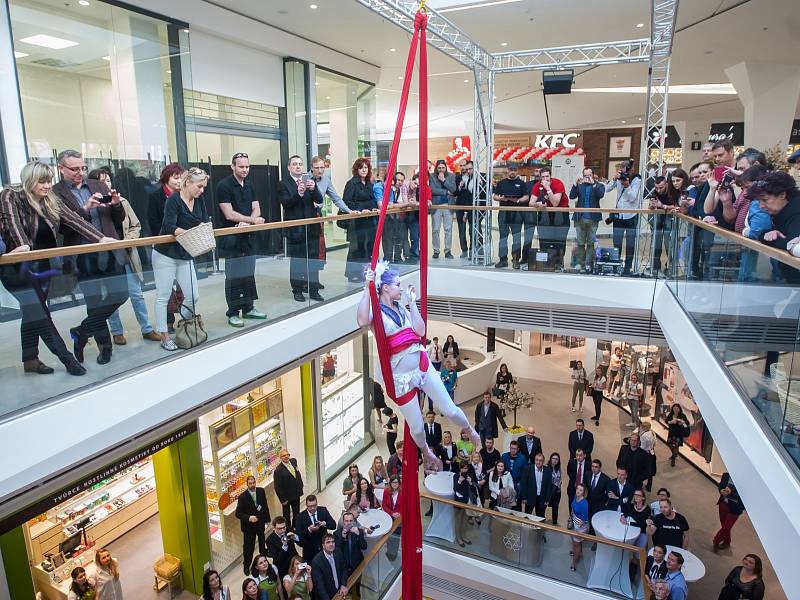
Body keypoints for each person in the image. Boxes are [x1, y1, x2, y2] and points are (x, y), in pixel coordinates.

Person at [356, 263, 480, 467]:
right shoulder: (377, 314)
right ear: (385, 287)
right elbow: (361, 320)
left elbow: (420, 331)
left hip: (422, 365)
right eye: (397, 284)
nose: (401, 288)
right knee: (417, 428)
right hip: (400, 378)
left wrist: (412, 304)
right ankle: (426, 452)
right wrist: (367, 288)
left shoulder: (401, 308)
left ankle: (469, 429)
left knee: (450, 410)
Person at [0, 161, 115, 376]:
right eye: (41, 181)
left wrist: (100, 238)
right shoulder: (10, 195)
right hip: (17, 268)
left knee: (33, 311)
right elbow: (11, 222)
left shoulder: (50, 199)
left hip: (43, 266)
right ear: (29, 180)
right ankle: (67, 358)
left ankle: (30, 359)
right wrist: (23, 245)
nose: (46, 186)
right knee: (41, 314)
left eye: (48, 181)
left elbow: (73, 220)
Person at [53, 150, 129, 366]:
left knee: (121, 293)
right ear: (61, 168)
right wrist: (86, 208)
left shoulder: (98, 185)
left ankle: (81, 331)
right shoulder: (55, 194)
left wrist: (115, 203)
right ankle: (105, 347)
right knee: (94, 302)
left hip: (110, 249)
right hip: (83, 254)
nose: (80, 173)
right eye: (74, 169)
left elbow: (118, 219)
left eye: (82, 168)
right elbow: (62, 228)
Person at [87, 169, 160, 346]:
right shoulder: (91, 207)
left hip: (126, 253)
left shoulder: (122, 202)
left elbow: (136, 225)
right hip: (104, 257)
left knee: (136, 293)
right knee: (112, 296)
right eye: (102, 181)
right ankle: (117, 332)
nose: (107, 184)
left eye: (109, 180)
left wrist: (126, 242)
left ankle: (147, 328)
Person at [152, 167, 209, 351]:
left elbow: (204, 221)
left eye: (203, 187)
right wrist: (189, 235)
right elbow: (169, 225)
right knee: (163, 296)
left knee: (193, 295)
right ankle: (164, 336)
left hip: (185, 254)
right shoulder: (173, 200)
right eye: (199, 186)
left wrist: (199, 234)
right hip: (165, 254)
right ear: (188, 183)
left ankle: (184, 323)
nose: (202, 190)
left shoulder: (199, 200)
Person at [217, 152, 267, 327]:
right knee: (233, 276)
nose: (245, 170)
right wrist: (251, 220)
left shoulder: (250, 185)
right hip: (231, 238)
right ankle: (232, 312)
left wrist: (249, 222)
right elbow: (229, 214)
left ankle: (248, 307)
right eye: (241, 166)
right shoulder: (223, 186)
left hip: (248, 237)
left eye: (247, 166)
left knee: (248, 274)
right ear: (233, 166)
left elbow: (257, 208)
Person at [279, 155, 324, 301]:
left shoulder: (309, 181)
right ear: (289, 167)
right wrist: (298, 194)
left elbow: (319, 200)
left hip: (311, 228)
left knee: (313, 259)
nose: (298, 166)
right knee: (298, 260)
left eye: (300, 164)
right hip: (295, 228)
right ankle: (297, 289)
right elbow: (286, 203)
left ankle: (313, 289)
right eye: (294, 164)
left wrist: (313, 189)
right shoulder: (283, 184)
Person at [146, 163, 185, 333]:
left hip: (184, 246)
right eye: (175, 177)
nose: (179, 181)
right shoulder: (155, 196)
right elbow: (153, 221)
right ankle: (168, 322)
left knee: (184, 287)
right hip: (164, 246)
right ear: (166, 177)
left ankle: (185, 318)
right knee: (166, 289)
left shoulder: (185, 195)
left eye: (181, 177)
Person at [752, 171, 800, 282]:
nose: (761, 206)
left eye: (765, 200)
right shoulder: (783, 212)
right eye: (759, 201)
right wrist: (768, 234)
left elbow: (792, 244)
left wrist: (769, 238)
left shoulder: (796, 213)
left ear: (782, 195)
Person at [342, 157, 377, 282]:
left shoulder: (368, 183)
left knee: (368, 246)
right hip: (356, 221)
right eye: (361, 168)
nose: (364, 170)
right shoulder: (351, 183)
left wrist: (372, 208)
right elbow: (347, 202)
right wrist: (362, 209)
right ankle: (352, 274)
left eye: (366, 168)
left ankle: (365, 273)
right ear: (356, 169)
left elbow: (372, 199)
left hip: (368, 220)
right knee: (356, 248)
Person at [606, 165, 642, 275]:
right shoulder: (618, 178)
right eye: (619, 170)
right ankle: (616, 265)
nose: (621, 172)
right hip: (618, 215)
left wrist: (627, 185)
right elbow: (607, 189)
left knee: (630, 244)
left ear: (630, 170)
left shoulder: (636, 179)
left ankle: (627, 268)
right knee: (617, 243)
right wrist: (614, 179)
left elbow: (632, 198)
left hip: (631, 215)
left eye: (623, 170)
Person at [531, 167, 569, 270]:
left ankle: (559, 263)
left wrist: (548, 189)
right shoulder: (537, 186)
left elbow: (555, 203)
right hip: (545, 214)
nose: (545, 179)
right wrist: (537, 204)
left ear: (550, 176)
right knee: (544, 239)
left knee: (559, 240)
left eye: (547, 176)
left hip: (560, 213)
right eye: (542, 177)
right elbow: (531, 202)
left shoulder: (558, 183)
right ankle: (546, 263)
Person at [492, 162, 528, 268]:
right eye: (511, 169)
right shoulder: (501, 183)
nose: (512, 172)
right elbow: (495, 196)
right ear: (507, 170)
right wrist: (501, 198)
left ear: (517, 171)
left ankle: (516, 260)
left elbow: (526, 196)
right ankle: (503, 260)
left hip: (517, 213)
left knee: (516, 237)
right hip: (503, 212)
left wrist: (518, 200)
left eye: (515, 170)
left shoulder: (522, 183)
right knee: (503, 237)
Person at [569, 167, 605, 272]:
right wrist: (575, 184)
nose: (587, 177)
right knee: (580, 242)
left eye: (589, 175)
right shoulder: (580, 186)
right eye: (585, 175)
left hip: (593, 219)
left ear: (593, 175)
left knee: (590, 243)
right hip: (580, 218)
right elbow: (571, 196)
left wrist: (593, 183)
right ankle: (580, 263)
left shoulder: (599, 185)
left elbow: (600, 195)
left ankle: (588, 264)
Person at [236, 475, 270, 575]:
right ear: (247, 484)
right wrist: (249, 518)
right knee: (248, 547)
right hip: (249, 527)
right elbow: (238, 513)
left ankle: (264, 558)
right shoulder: (242, 497)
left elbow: (264, 506)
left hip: (260, 523)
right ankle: (247, 565)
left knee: (262, 541)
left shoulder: (261, 491)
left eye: (254, 483)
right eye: (250, 483)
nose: (252, 485)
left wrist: (267, 519)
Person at [295, 495, 336, 563]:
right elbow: (298, 534)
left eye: (314, 505)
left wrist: (324, 523)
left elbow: (333, 525)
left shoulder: (323, 510)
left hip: (324, 548)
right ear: (306, 505)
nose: (313, 508)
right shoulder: (300, 517)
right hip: (310, 550)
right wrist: (309, 530)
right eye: (310, 506)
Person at [429, 159, 456, 259]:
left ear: (446, 168)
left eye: (443, 168)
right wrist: (446, 192)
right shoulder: (431, 176)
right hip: (436, 206)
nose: (441, 170)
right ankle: (436, 250)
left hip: (448, 205)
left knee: (448, 229)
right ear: (436, 168)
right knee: (435, 229)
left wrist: (443, 180)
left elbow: (453, 189)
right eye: (439, 168)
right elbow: (432, 190)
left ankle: (448, 251)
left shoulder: (452, 176)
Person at [713, 472, 744, 552]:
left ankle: (716, 541)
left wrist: (730, 493)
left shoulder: (745, 480)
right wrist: (721, 491)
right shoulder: (726, 475)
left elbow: (744, 497)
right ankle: (727, 542)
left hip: (736, 508)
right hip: (723, 504)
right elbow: (720, 485)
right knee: (724, 525)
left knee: (726, 527)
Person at [311, 533, 347, 600]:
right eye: (328, 542)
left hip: (339, 592)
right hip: (326, 596)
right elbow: (319, 585)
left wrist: (343, 584)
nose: (331, 544)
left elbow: (344, 569)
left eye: (333, 542)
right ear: (323, 546)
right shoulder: (317, 561)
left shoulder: (338, 552)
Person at [273, 450, 304, 528]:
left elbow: (297, 474)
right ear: (280, 458)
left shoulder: (293, 461)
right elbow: (277, 487)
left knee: (296, 512)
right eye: (284, 456)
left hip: (296, 493)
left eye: (287, 455)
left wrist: (301, 486)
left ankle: (295, 526)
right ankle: (288, 528)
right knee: (286, 515)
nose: (286, 457)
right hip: (286, 497)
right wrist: (283, 500)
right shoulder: (278, 471)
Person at [336, 511, 367, 581]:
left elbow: (364, 547)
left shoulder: (358, 531)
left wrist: (358, 534)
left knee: (359, 582)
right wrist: (343, 538)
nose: (349, 523)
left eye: (351, 520)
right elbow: (337, 551)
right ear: (343, 522)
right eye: (346, 521)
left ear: (353, 521)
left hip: (358, 564)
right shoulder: (337, 534)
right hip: (344, 567)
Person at [455, 160, 477, 258]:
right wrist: (459, 187)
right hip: (460, 207)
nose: (463, 168)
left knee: (472, 230)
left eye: (465, 166)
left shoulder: (473, 177)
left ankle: (472, 251)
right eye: (461, 166)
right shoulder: (457, 178)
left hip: (471, 207)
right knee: (461, 231)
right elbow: (454, 192)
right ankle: (464, 250)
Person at [453, 461, 477, 546]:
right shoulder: (456, 476)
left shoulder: (469, 476)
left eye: (466, 468)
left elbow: (474, 489)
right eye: (463, 468)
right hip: (458, 501)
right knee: (458, 520)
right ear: (460, 468)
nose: (465, 470)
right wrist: (459, 481)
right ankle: (458, 537)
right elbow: (455, 488)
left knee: (465, 520)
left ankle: (463, 536)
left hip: (466, 501)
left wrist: (470, 482)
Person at [520, 453, 551, 517]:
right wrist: (524, 497)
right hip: (529, 497)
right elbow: (523, 484)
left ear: (543, 461)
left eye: (540, 460)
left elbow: (549, 486)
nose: (538, 462)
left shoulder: (547, 470)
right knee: (527, 516)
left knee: (540, 517)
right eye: (537, 460)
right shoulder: (528, 469)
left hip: (542, 498)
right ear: (534, 460)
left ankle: (539, 527)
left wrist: (547, 499)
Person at [569, 483, 590, 572]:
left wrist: (576, 530)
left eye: (581, 490)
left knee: (576, 542)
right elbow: (573, 509)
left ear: (583, 492)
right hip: (574, 522)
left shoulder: (584, 504)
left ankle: (574, 563)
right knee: (575, 542)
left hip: (580, 526)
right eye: (577, 489)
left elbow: (583, 520)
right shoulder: (575, 497)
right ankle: (578, 552)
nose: (578, 491)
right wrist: (570, 520)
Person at [636, 422, 657, 492]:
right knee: (650, 471)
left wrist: (637, 446)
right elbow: (655, 443)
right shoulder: (653, 433)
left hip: (645, 453)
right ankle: (649, 486)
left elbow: (642, 447)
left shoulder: (644, 435)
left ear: (645, 427)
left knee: (642, 469)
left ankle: (640, 484)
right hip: (652, 452)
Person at [545, 452, 563, 525]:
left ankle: (554, 523)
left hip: (557, 491)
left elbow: (560, 479)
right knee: (544, 507)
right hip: (549, 491)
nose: (555, 460)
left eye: (557, 459)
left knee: (555, 507)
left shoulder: (558, 469)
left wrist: (559, 484)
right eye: (553, 458)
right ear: (550, 459)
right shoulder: (546, 468)